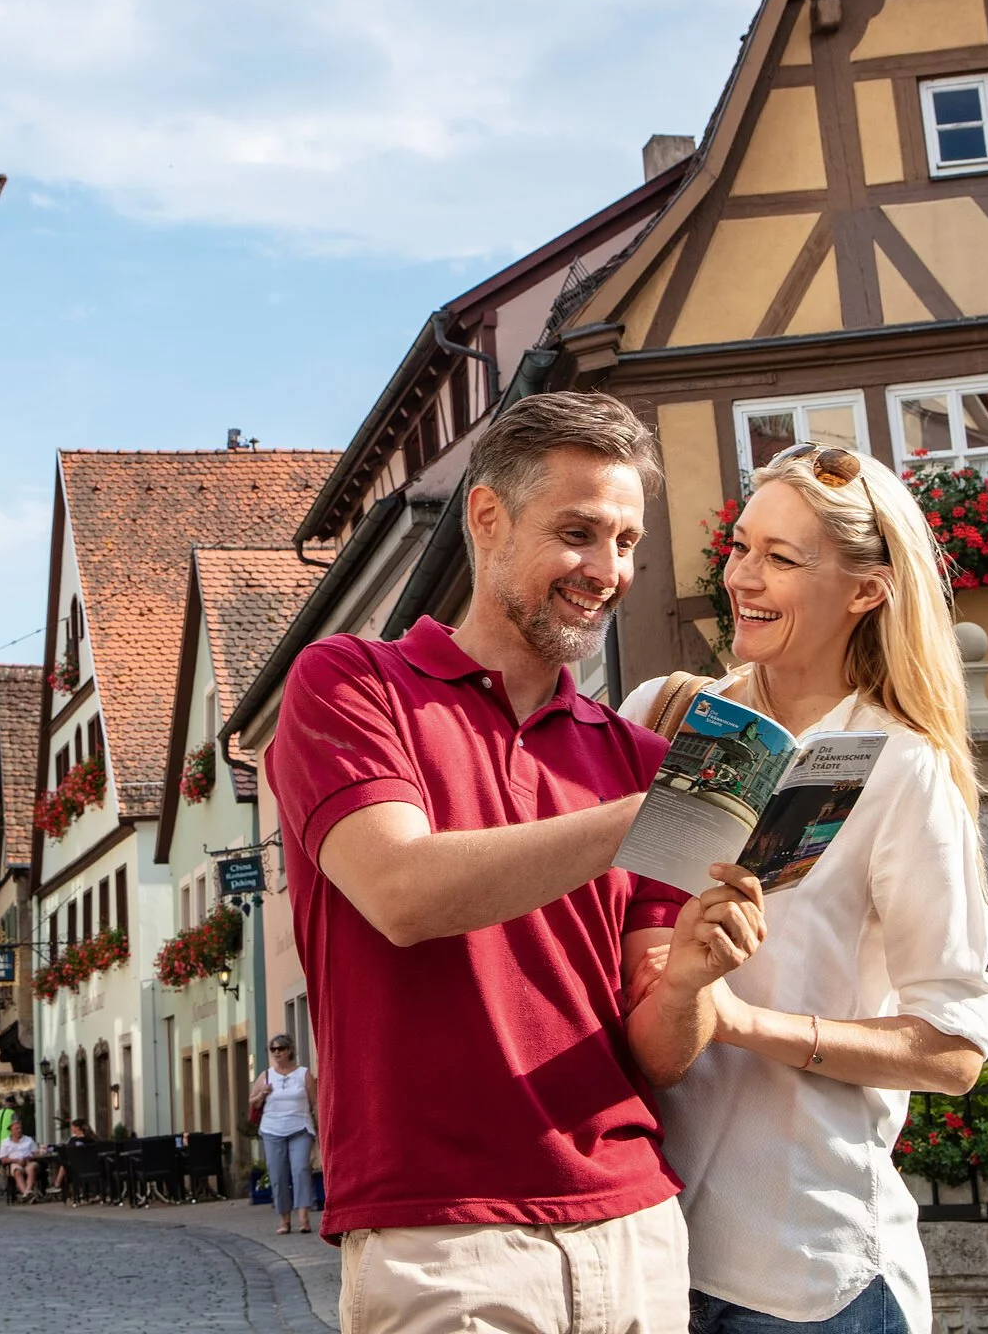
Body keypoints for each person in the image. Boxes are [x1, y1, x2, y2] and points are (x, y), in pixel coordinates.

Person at [266, 393, 762, 1334]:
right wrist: (639, 821)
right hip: (442, 1236)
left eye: (625, 541)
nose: (608, 571)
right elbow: (402, 892)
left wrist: (696, 975)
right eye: (577, 533)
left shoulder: (639, 761)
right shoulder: (351, 684)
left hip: (635, 1225)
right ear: (487, 518)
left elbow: (656, 1048)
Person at [619, 442, 988, 1334]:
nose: (742, 578)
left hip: (805, 1270)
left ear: (867, 590)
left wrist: (742, 1022)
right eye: (741, 546)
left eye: (782, 559)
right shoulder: (662, 713)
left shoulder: (902, 770)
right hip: (644, 1252)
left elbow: (952, 1048)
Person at [250, 1036, 318, 1235]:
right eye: (273, 1049)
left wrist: (320, 1130)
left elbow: (315, 1103)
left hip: (300, 1128)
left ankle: (303, 1218)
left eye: (281, 1048)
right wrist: (262, 1094)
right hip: (272, 1130)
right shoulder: (266, 1076)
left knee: (301, 1170)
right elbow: (253, 1102)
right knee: (278, 1175)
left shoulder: (303, 1074)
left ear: (290, 1050)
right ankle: (284, 1220)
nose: (277, 1052)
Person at [0, 1117, 40, 1201]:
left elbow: (36, 1153)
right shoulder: (5, 1142)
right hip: (14, 1162)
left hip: (28, 1161)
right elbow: (3, 1159)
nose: (19, 1130)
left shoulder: (28, 1139)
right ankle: (26, 1193)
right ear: (11, 1131)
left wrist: (29, 1158)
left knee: (31, 1168)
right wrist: (16, 1160)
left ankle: (27, 1192)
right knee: (17, 1171)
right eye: (16, 1129)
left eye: (20, 1128)